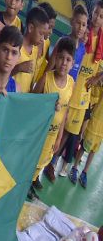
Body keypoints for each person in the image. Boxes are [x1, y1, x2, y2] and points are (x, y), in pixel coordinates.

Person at [31, 37, 78, 194]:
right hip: (39, 131)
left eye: (68, 59)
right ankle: (27, 183)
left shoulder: (71, 83)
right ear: (55, 58)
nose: (64, 63)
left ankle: (35, 178)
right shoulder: (46, 78)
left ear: (72, 64)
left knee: (44, 158)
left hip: (53, 133)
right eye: (60, 58)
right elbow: (32, 101)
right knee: (33, 158)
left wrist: (58, 137)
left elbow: (64, 113)